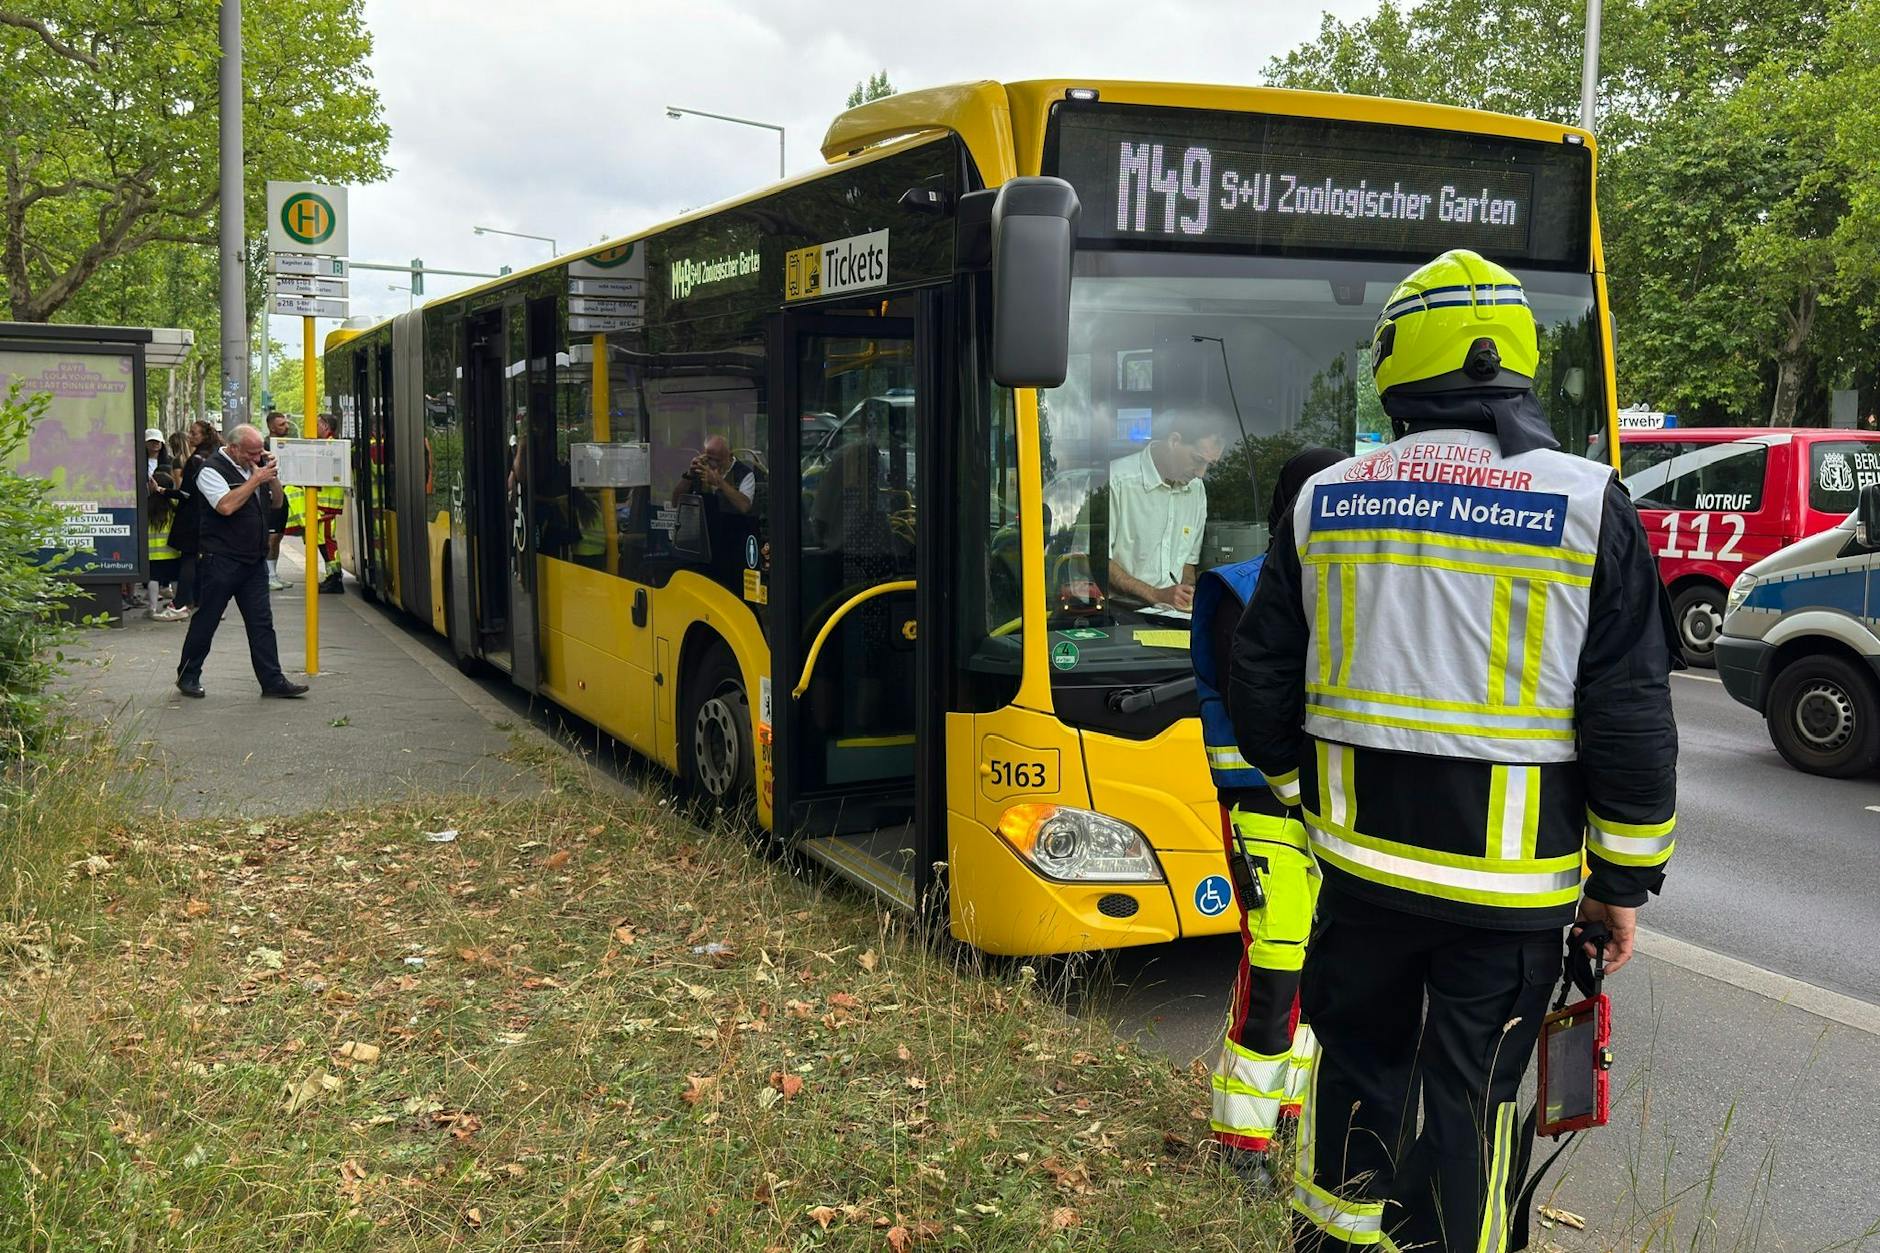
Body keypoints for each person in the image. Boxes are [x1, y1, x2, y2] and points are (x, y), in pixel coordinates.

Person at [1229, 250, 1678, 1252]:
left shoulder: (1323, 497)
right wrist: (1621, 881)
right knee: (1470, 1100)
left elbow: (1257, 680)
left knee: (1352, 1068)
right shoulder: (1584, 501)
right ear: (1514, 360)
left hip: (1357, 873)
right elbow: (1630, 718)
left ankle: (1332, 1241)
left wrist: (1307, 794)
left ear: (1393, 362)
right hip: (1506, 894)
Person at [1194, 446, 1343, 1178]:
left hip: (1327, 814)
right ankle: (1238, 1144)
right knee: (1277, 968)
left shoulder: (1345, 583)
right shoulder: (1245, 588)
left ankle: (1285, 1114)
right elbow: (1259, 706)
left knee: (1317, 972)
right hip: (1265, 805)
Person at [174, 423, 309, 700]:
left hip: (253, 561)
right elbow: (225, 506)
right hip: (221, 559)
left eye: (260, 453)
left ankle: (272, 680)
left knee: (261, 623)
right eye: (251, 453)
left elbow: (276, 504)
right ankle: (188, 674)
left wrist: (270, 478)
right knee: (208, 619)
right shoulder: (210, 470)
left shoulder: (253, 468)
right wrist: (255, 480)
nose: (256, 458)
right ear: (233, 448)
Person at [1106, 410, 1224, 610]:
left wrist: (1186, 592)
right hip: (1119, 613)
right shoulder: (1117, 480)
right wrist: (1155, 594)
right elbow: (1097, 562)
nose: (1201, 474)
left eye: (1209, 465)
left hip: (1172, 616)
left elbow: (1188, 562)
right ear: (1174, 441)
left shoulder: (1196, 488)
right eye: (1198, 460)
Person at [168, 421, 223, 616]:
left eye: (194, 433)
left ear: (204, 436)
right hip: (210, 514)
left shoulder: (195, 460)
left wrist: (162, 491)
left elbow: (186, 493)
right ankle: (201, 599)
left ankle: (181, 601)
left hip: (191, 516)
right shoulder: (216, 456)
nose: (190, 437)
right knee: (202, 559)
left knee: (188, 558)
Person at [314, 412, 345, 593]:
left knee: (327, 542)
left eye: (316, 424)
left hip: (327, 504)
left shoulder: (330, 447)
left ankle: (334, 578)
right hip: (326, 504)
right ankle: (331, 576)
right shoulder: (328, 445)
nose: (313, 428)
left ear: (325, 427)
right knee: (324, 541)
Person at [264, 411, 294, 590]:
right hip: (271, 497)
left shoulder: (289, 444)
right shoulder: (265, 446)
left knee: (279, 536)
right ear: (271, 427)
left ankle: (273, 573)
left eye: (286, 423)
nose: (286, 427)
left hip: (284, 494)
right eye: (281, 424)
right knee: (272, 537)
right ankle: (268, 576)